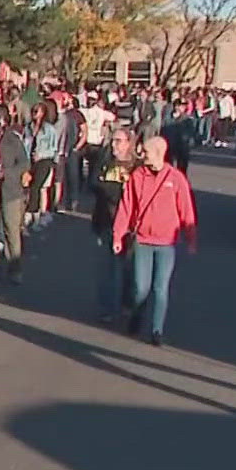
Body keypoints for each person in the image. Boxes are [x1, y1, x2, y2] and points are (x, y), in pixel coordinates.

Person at [111, 134, 197, 346]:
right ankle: (137, 318)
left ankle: (156, 330)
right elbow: (127, 207)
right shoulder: (138, 176)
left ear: (159, 153)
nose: (142, 154)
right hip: (142, 240)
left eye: (146, 152)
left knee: (161, 288)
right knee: (141, 287)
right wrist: (118, 235)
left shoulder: (176, 179)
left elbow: (186, 210)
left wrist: (191, 238)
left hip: (166, 243)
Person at [92, 127, 139, 325]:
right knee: (110, 268)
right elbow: (94, 184)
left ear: (129, 143)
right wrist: (114, 190)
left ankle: (128, 304)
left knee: (129, 268)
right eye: (113, 141)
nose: (114, 145)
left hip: (130, 226)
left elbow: (135, 194)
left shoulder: (137, 167)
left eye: (119, 141)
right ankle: (108, 308)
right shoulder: (105, 161)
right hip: (106, 221)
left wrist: (111, 189)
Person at [0, 110, 30, 284]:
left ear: (0, 126)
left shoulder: (12, 140)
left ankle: (14, 267)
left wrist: (6, 174)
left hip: (9, 189)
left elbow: (24, 163)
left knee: (11, 228)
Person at [27, 101, 62, 230]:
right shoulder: (28, 127)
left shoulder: (49, 129)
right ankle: (33, 214)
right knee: (31, 187)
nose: (36, 114)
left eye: (39, 111)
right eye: (34, 111)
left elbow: (54, 149)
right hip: (30, 160)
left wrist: (41, 154)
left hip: (45, 160)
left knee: (38, 186)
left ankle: (35, 216)